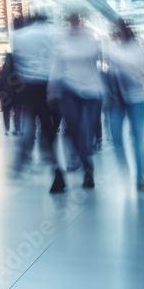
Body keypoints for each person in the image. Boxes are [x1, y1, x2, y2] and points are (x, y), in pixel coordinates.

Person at [48, 11, 103, 192]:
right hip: (69, 90)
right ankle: (86, 166)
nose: (72, 23)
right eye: (70, 20)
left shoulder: (91, 39)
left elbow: (96, 57)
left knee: (85, 132)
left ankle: (88, 168)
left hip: (91, 91)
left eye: (75, 19)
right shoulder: (62, 41)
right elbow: (57, 66)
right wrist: (52, 89)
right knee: (73, 129)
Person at [108, 21, 144, 190]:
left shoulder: (136, 49)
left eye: (118, 31)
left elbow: (127, 64)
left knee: (138, 136)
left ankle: (140, 175)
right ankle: (127, 170)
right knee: (116, 137)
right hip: (118, 99)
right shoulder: (116, 49)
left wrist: (111, 46)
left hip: (137, 98)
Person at [12, 14, 57, 174]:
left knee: (29, 123)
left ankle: (22, 158)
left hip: (28, 87)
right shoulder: (51, 34)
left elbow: (17, 64)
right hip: (47, 85)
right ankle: (51, 156)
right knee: (47, 123)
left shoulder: (19, 36)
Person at [0, 52, 22, 136]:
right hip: (16, 94)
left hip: (6, 94)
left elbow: (1, 83)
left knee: (6, 112)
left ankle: (6, 129)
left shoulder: (3, 70)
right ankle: (17, 128)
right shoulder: (17, 69)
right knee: (17, 112)